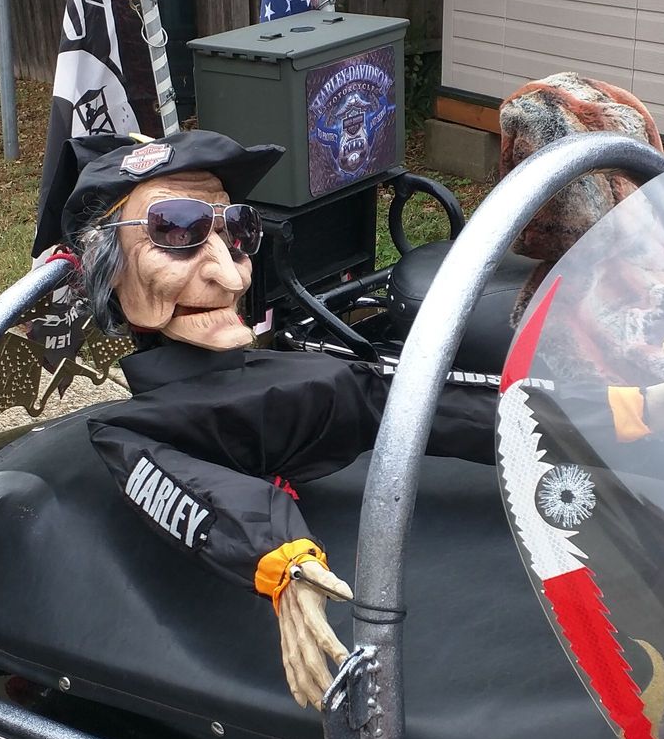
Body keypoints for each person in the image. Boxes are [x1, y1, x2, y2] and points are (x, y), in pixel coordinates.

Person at [61, 130, 502, 708]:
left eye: (237, 229)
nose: (233, 276)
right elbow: (181, 482)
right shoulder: (127, 428)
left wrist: (558, 417)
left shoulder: (294, 370)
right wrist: (283, 561)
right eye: (176, 231)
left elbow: (387, 398)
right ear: (108, 269)